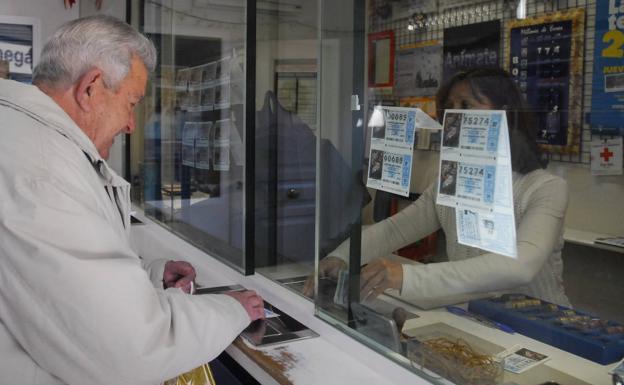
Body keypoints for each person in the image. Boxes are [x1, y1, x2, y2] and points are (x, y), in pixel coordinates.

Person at [0, 15, 263, 385]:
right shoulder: (43, 173)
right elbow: (131, 350)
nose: (131, 125)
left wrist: (148, 276)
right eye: (132, 102)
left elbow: (53, 286)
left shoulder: (22, 139)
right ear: (90, 88)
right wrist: (231, 310)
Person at [304, 67, 570, 308]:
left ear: (506, 114)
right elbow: (394, 230)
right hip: (480, 321)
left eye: (467, 105)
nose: (455, 116)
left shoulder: (545, 188)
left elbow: (519, 267)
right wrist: (342, 257)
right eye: (449, 108)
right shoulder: (451, 184)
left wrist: (404, 276)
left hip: (542, 329)